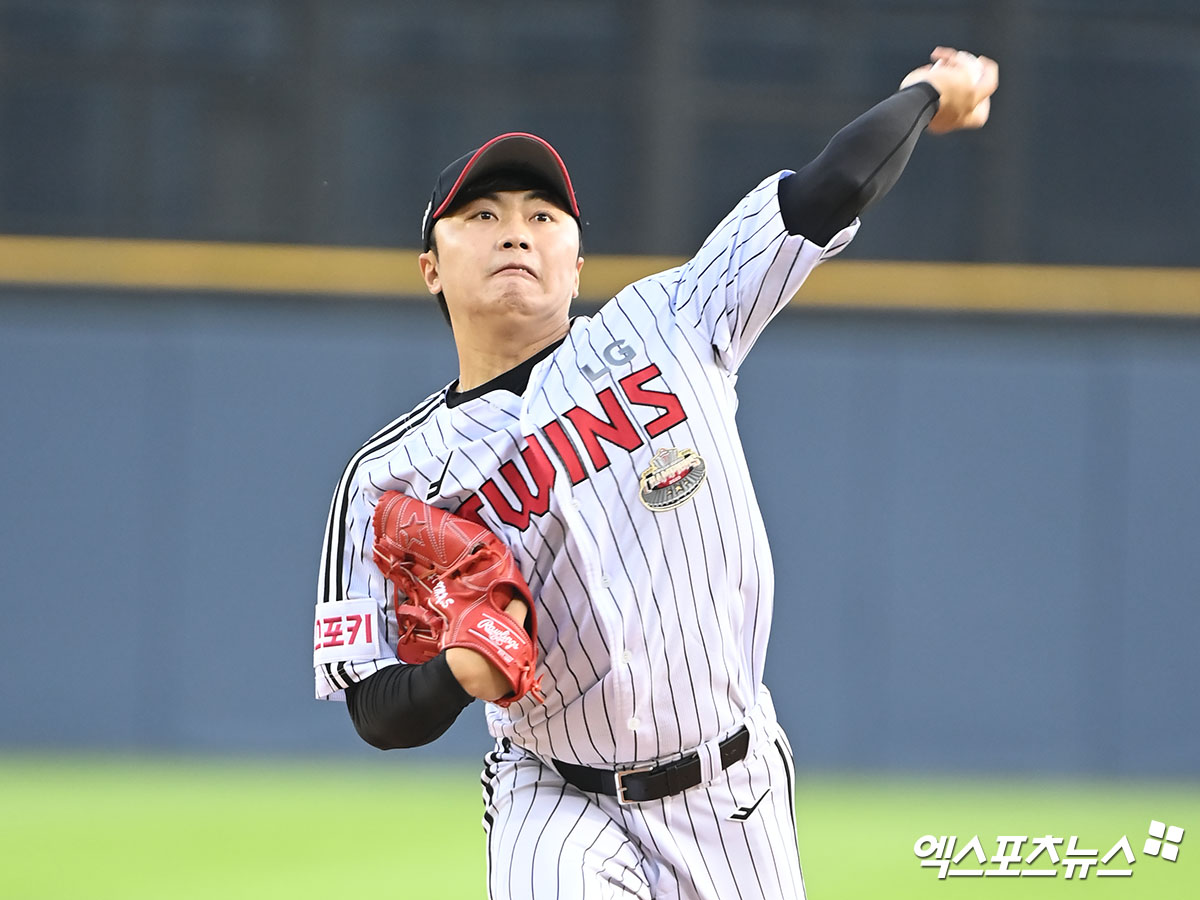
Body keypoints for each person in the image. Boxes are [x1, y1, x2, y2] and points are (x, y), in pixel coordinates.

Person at [314, 46, 998, 900]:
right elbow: (372, 705)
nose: (516, 231)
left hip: (733, 790)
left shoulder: (672, 318)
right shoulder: (390, 476)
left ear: (577, 263)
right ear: (430, 269)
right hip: (552, 794)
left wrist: (926, 93)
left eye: (542, 214)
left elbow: (824, 194)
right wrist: (455, 674)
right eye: (481, 215)